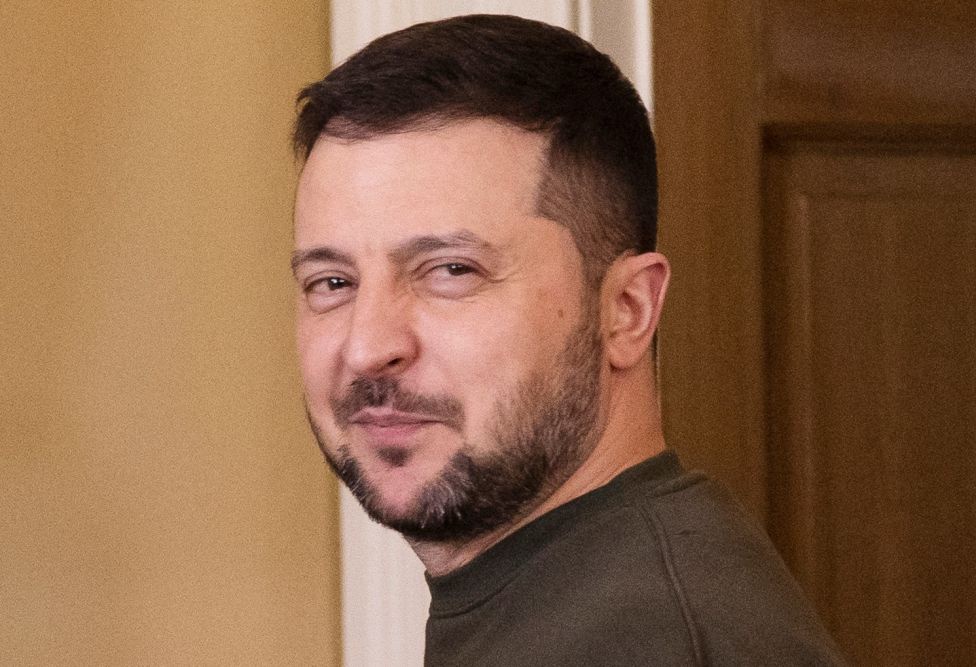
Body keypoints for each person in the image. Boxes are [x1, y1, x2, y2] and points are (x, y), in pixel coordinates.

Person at [291, 14, 845, 666]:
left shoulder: (645, 641)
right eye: (332, 282)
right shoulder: (581, 596)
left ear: (627, 311)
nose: (366, 348)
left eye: (451, 271)